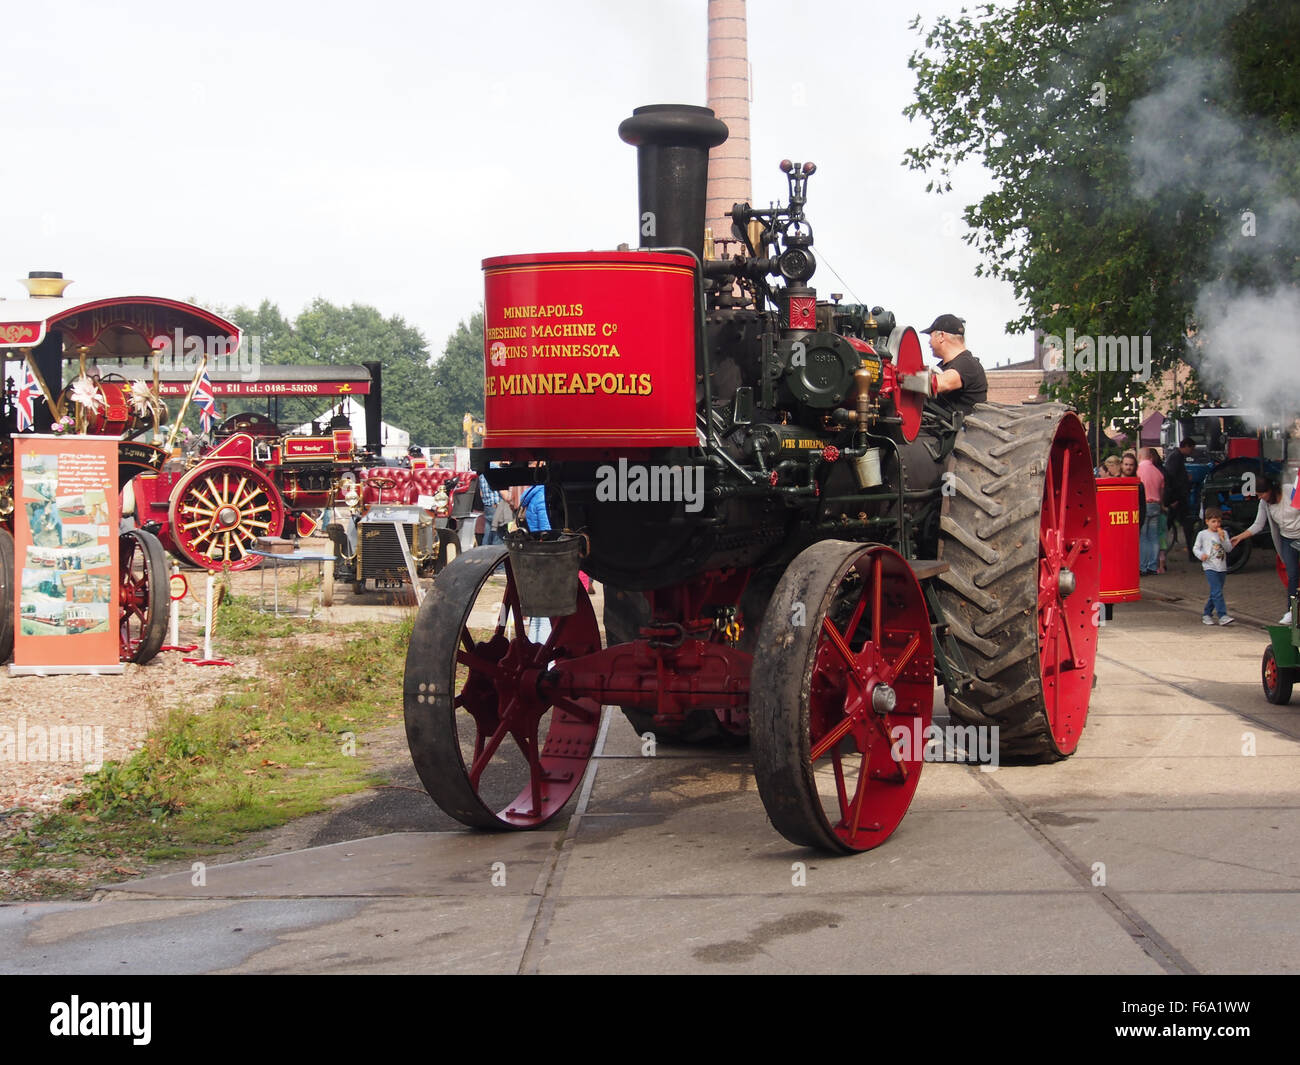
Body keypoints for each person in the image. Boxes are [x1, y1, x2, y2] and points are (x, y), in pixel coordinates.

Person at [1231, 475, 1300, 623]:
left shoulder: (1289, 491)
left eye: (1262, 493)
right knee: (1293, 575)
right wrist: (1240, 537)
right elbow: (1258, 525)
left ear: (1271, 490)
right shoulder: (1265, 503)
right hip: (1287, 539)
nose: (1261, 497)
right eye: (1258, 495)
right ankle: (1291, 611)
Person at [920, 313, 988, 416]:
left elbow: (942, 383)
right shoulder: (942, 366)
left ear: (941, 336)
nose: (929, 342)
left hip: (957, 430)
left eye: (931, 336)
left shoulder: (968, 364)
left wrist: (903, 379)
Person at [1194, 507, 1234, 625]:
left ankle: (1207, 613)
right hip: (1209, 566)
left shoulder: (1224, 533)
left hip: (1221, 566)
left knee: (1216, 592)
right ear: (1207, 521)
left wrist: (1223, 539)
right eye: (1213, 521)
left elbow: (1228, 549)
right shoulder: (1202, 534)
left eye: (1218, 521)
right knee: (1217, 591)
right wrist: (1201, 555)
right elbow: (1195, 548)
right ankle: (1222, 615)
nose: (1216, 524)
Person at [1163, 437, 1197, 561]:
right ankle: (1191, 554)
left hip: (1178, 498)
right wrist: (1173, 498)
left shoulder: (1176, 457)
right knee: (1184, 525)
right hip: (1178, 499)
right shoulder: (1176, 458)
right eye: (1191, 448)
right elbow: (1171, 479)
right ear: (1186, 446)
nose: (1192, 452)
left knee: (1170, 524)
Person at [1136, 448, 1164, 575]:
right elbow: (1162, 491)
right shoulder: (1158, 472)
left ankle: (1142, 566)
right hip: (1156, 505)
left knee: (1143, 537)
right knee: (1154, 537)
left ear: (1140, 456)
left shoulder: (1139, 470)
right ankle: (1153, 566)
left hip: (1145, 504)